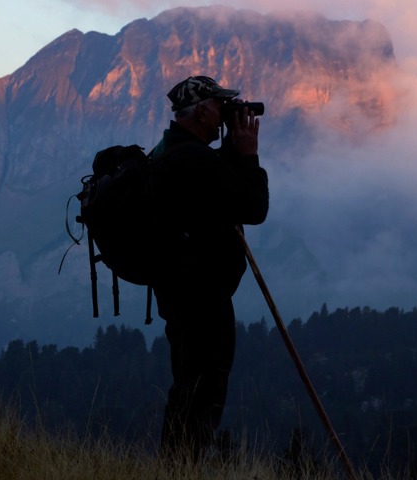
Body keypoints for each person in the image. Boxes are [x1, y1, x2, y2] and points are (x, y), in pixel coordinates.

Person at [149, 75, 269, 460]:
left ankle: (174, 466)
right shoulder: (194, 160)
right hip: (202, 298)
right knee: (204, 393)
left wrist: (230, 152)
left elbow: (216, 190)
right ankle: (182, 466)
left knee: (186, 388)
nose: (224, 115)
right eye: (220, 106)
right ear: (202, 111)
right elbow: (253, 208)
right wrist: (248, 153)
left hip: (177, 293)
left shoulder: (169, 152)